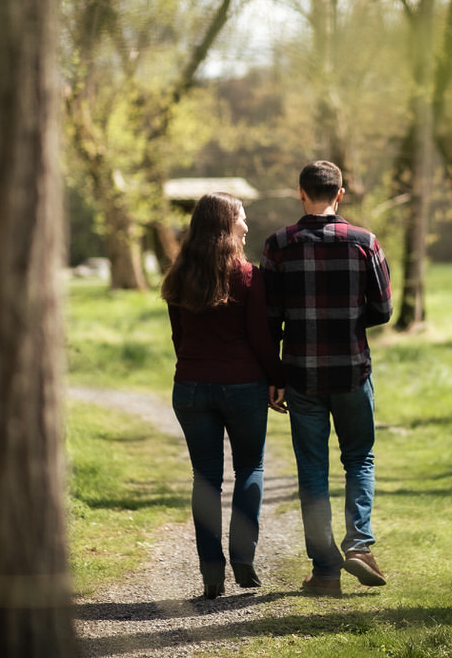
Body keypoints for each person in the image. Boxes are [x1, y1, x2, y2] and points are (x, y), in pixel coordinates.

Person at [261, 160, 394, 597]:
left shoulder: (277, 245)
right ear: (341, 194)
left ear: (300, 192)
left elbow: (269, 317)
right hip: (353, 372)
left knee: (312, 471)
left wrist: (275, 374)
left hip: (300, 376)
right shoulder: (365, 242)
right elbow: (383, 310)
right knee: (360, 459)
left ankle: (325, 572)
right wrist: (350, 321)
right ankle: (359, 546)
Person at [160, 192, 284, 600]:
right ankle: (243, 556)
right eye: (242, 219)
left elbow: (179, 338)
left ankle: (211, 572)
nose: (247, 226)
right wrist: (276, 377)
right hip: (243, 385)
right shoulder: (248, 276)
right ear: (226, 225)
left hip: (191, 387)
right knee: (250, 467)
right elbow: (261, 340)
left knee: (205, 478)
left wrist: (198, 370)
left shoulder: (178, 275)